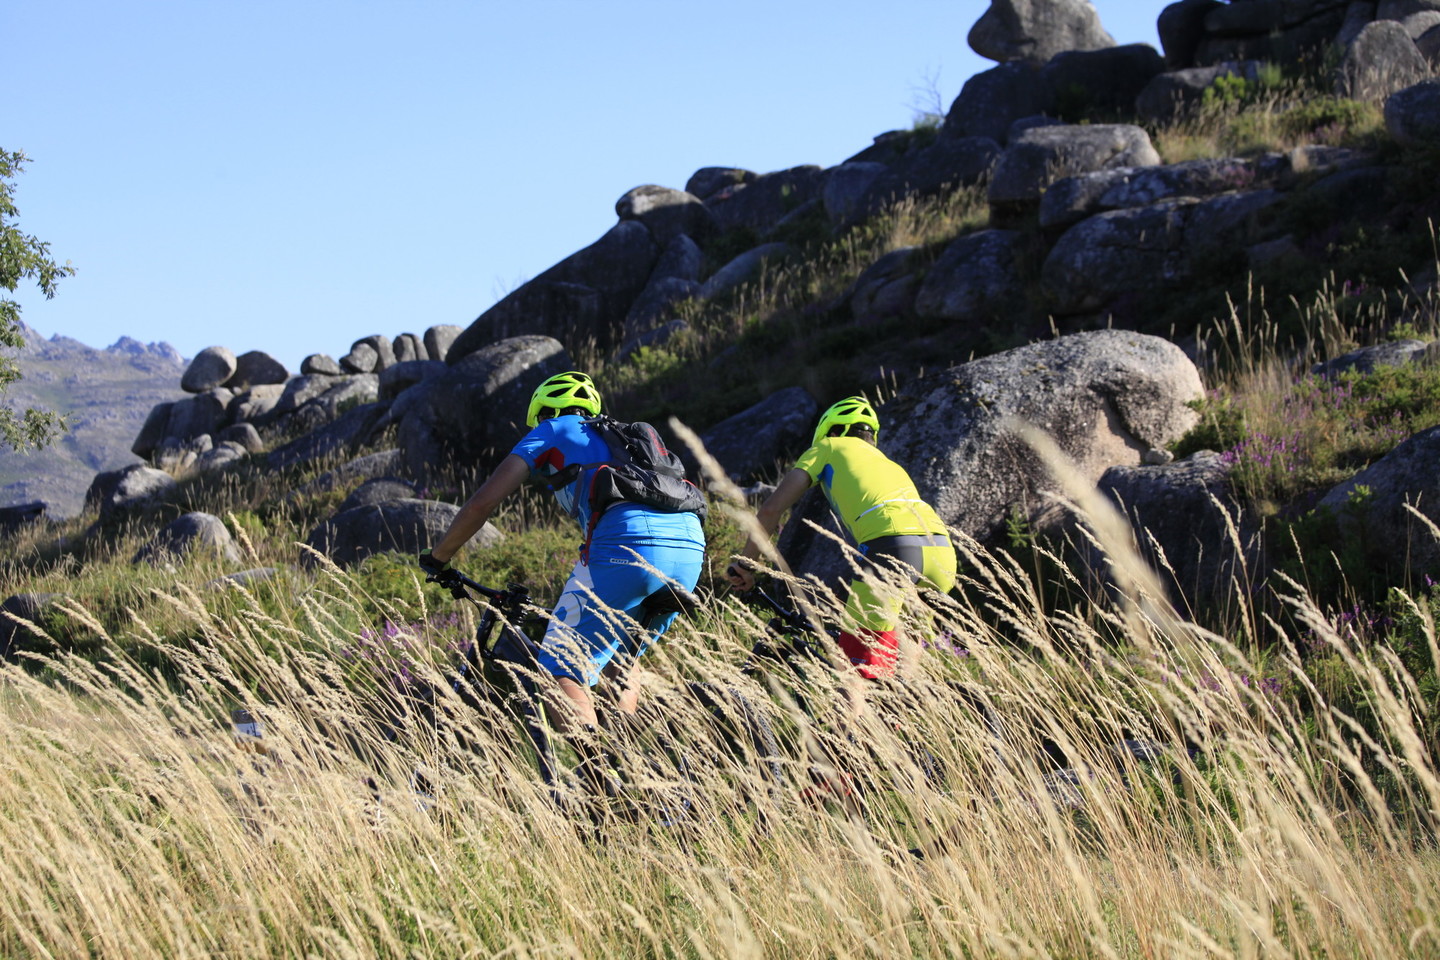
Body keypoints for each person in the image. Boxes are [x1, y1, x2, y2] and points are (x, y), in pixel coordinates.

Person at [420, 371, 706, 734]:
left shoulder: (554, 429)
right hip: (689, 549)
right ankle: (630, 766)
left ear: (545, 412)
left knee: (560, 665)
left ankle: (598, 779)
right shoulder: (625, 437)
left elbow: (483, 503)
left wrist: (439, 557)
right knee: (621, 658)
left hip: (627, 543)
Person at [727, 395, 956, 681]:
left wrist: (746, 565)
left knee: (854, 674)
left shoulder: (828, 446)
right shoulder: (889, 464)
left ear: (832, 431)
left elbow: (772, 508)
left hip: (894, 547)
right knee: (903, 656)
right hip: (942, 553)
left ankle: (851, 723)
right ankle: (902, 715)